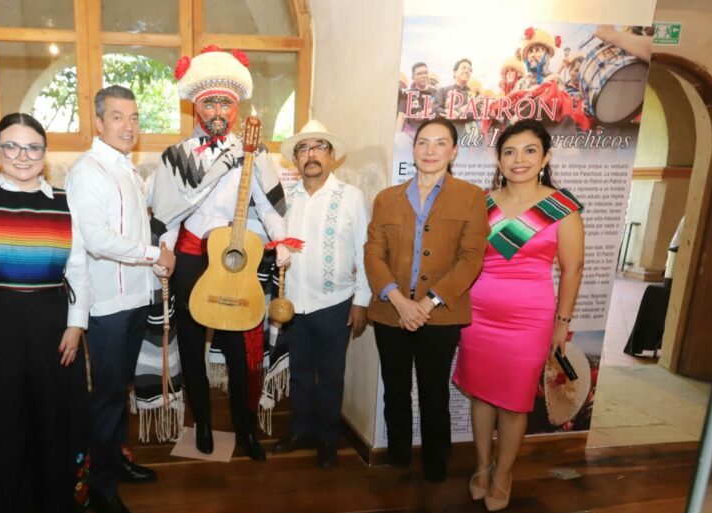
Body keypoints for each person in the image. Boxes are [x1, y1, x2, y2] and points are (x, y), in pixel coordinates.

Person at [151, 46, 292, 463]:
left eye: (225, 103)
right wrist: (164, 252)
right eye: (209, 102)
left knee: (239, 347)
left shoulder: (256, 152)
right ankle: (204, 427)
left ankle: (246, 430)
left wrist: (282, 242)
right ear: (196, 105)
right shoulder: (175, 157)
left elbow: (269, 207)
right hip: (192, 259)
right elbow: (168, 215)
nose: (217, 111)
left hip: (235, 259)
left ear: (235, 108)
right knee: (192, 347)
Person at [0, 113, 92, 513]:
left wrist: (76, 327)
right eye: (11, 146)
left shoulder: (64, 199)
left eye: (33, 147)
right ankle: (7, 512)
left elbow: (80, 269)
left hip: (53, 323)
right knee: (2, 418)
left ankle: (56, 502)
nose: (23, 156)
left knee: (53, 413)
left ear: (44, 152)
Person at [453, 119, 584, 512]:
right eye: (509, 151)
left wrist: (561, 325)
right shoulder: (482, 201)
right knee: (480, 395)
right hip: (477, 315)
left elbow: (573, 269)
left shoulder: (562, 208)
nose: (519, 159)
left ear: (545, 157)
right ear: (498, 157)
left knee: (513, 403)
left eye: (529, 151)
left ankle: (504, 473)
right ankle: (481, 465)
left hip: (530, 320)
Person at [65, 85, 173, 513]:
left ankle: (115, 460)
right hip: (107, 305)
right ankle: (102, 490)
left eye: (134, 118)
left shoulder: (128, 170)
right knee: (107, 399)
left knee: (120, 390)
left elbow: (139, 231)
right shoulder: (87, 171)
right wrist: (153, 255)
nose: (128, 126)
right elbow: (98, 240)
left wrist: (157, 262)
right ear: (97, 121)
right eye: (117, 117)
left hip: (135, 299)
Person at [364, 117, 487, 483]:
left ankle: (436, 470)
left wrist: (427, 303)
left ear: (453, 151)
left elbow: (472, 257)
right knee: (396, 391)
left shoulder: (471, 197)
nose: (430, 150)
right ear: (413, 149)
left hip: (441, 315)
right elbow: (373, 252)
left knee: (435, 395)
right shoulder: (387, 198)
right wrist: (400, 301)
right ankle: (399, 460)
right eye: (423, 143)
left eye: (439, 143)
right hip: (391, 312)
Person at [270, 120, 370, 469]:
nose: (311, 155)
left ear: (331, 156)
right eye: (303, 149)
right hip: (294, 305)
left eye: (319, 147)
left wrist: (361, 301)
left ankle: (328, 438)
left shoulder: (351, 197)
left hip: (335, 304)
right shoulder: (286, 200)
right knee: (299, 372)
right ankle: (301, 430)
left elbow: (364, 252)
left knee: (330, 376)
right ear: (296, 160)